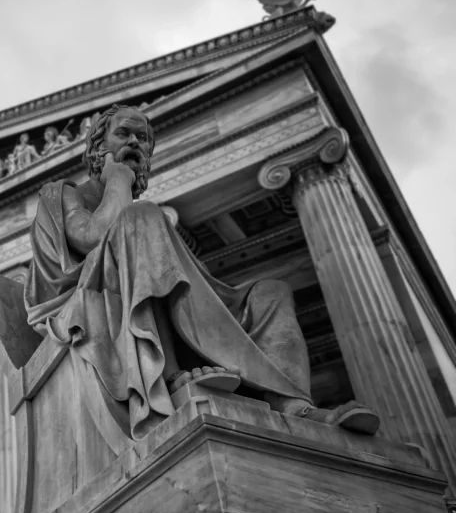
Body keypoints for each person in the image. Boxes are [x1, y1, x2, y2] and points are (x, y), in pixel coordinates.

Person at [23, 104, 379, 446]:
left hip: (145, 285)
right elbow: (92, 237)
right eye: (124, 134)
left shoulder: (139, 220)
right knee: (141, 216)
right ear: (98, 148)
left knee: (270, 293)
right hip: (95, 295)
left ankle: (294, 404)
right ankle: (172, 373)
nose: (135, 143)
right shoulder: (66, 194)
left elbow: (181, 273)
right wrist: (118, 181)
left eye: (143, 138)